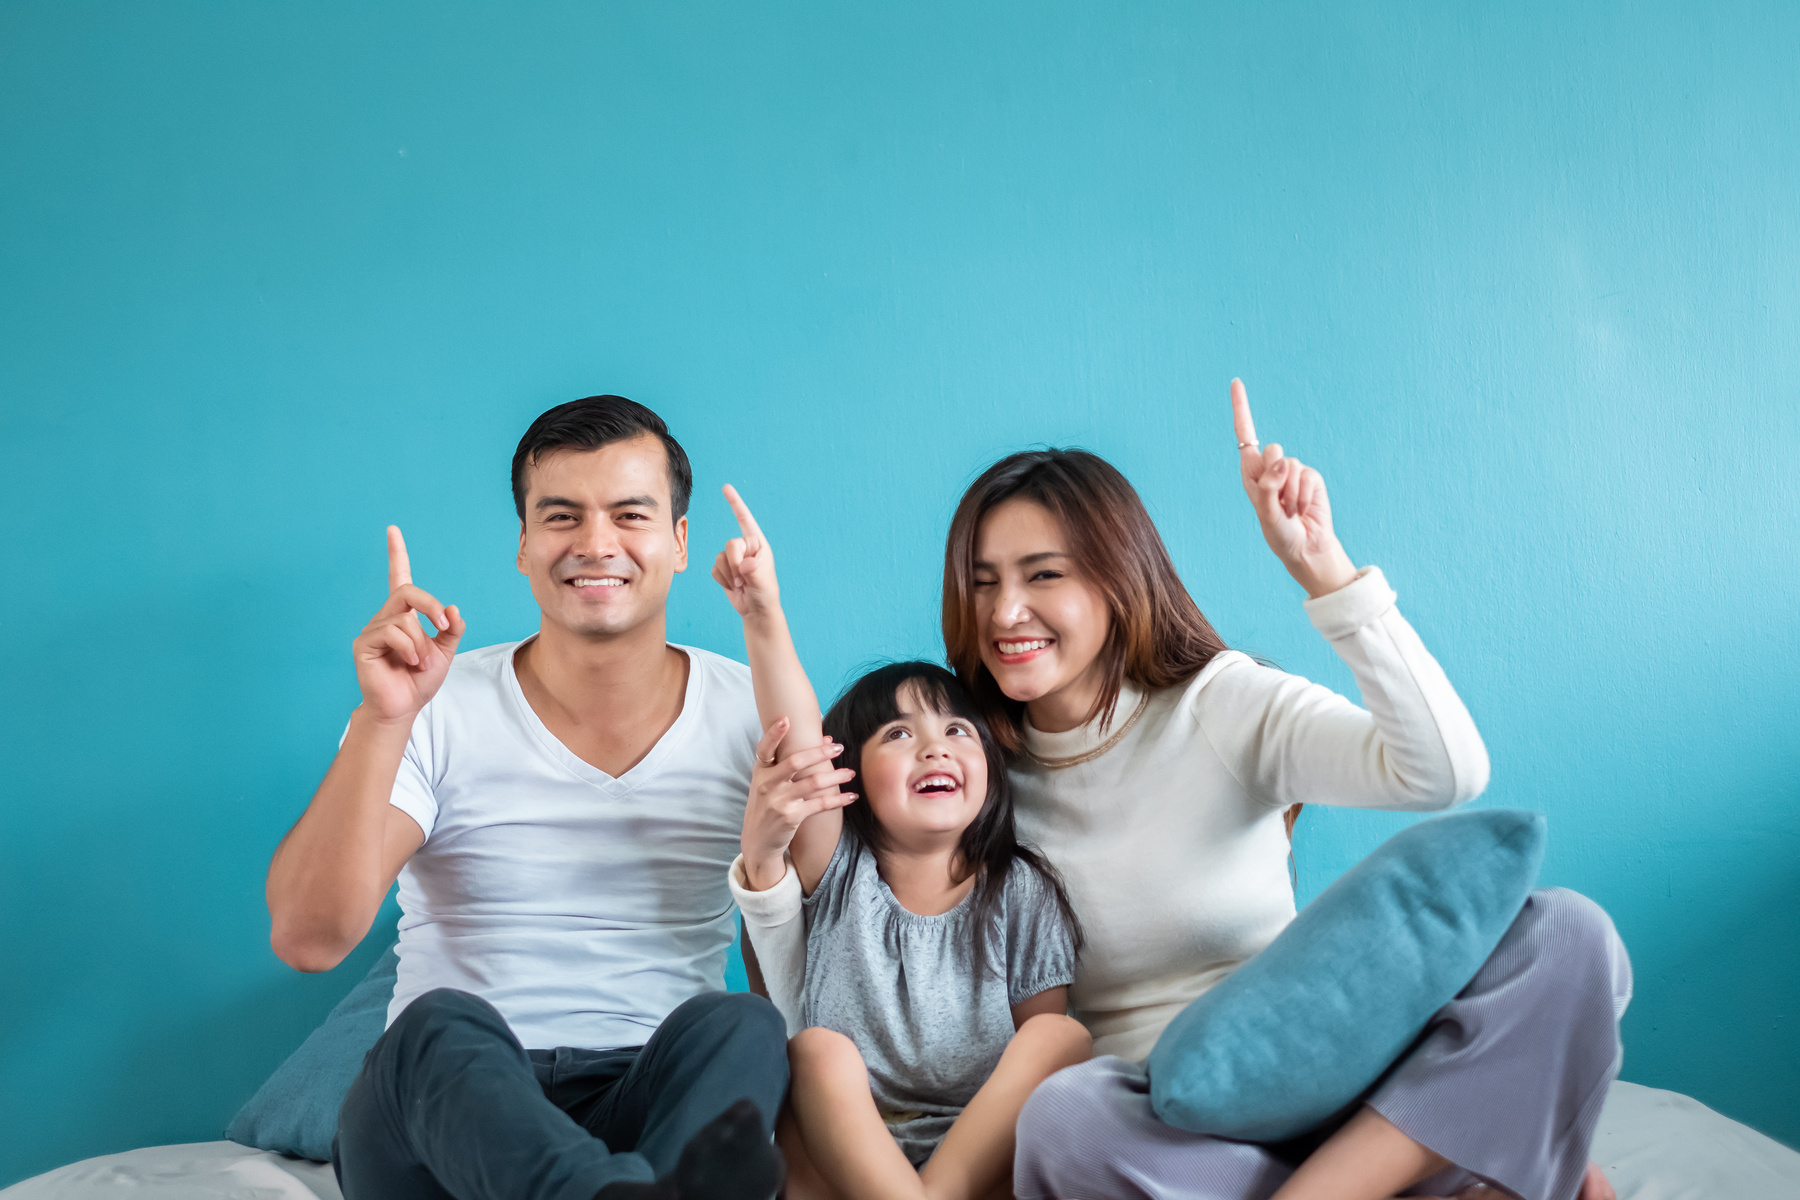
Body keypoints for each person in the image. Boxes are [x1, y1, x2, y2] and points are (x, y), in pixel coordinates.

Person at [934, 380, 1632, 1200]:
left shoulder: (1218, 702)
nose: (1006, 610)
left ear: (1115, 580)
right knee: (1062, 1118)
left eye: (1041, 574)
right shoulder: (962, 771)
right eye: (983, 582)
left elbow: (1443, 771)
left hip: (1343, 1100)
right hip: (1173, 1137)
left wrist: (1325, 573)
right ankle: (1468, 1168)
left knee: (1568, 936)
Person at [264, 396, 819, 1200]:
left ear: (680, 542)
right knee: (435, 1028)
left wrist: (767, 623)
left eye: (631, 514)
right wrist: (383, 719)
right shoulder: (433, 704)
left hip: (647, 1101)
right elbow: (309, 939)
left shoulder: (750, 706)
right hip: (450, 1115)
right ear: (524, 545)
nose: (596, 544)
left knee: (742, 1026)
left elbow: (830, 895)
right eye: (561, 516)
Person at [709, 491, 1093, 1200]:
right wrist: (763, 613)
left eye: (957, 732)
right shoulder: (840, 870)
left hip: (975, 1151)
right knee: (816, 1052)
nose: (933, 748)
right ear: (848, 777)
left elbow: (1037, 1075)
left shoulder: (1021, 889)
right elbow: (799, 738)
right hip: (844, 1149)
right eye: (898, 735)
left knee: (1061, 1039)